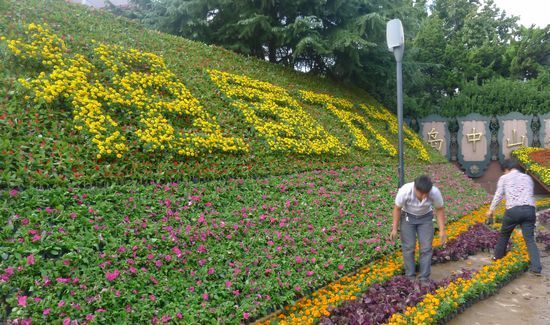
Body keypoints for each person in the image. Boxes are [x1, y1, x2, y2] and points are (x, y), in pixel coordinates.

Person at [486, 159, 542, 275]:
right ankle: (536, 268)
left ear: (506, 169)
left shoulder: (504, 178)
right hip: (529, 210)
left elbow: (498, 195)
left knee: (504, 235)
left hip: (513, 210)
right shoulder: (527, 178)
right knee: (530, 239)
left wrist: (491, 210)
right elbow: (530, 195)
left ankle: (498, 257)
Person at [390, 175, 447, 282]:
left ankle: (424, 277)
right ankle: (410, 276)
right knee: (408, 247)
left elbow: (439, 209)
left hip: (426, 218)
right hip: (408, 217)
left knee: (426, 248)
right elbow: (397, 209)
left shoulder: (435, 192)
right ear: (415, 188)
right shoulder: (405, 191)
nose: (424, 196)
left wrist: (442, 230)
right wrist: (394, 228)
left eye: (427, 193)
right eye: (421, 193)